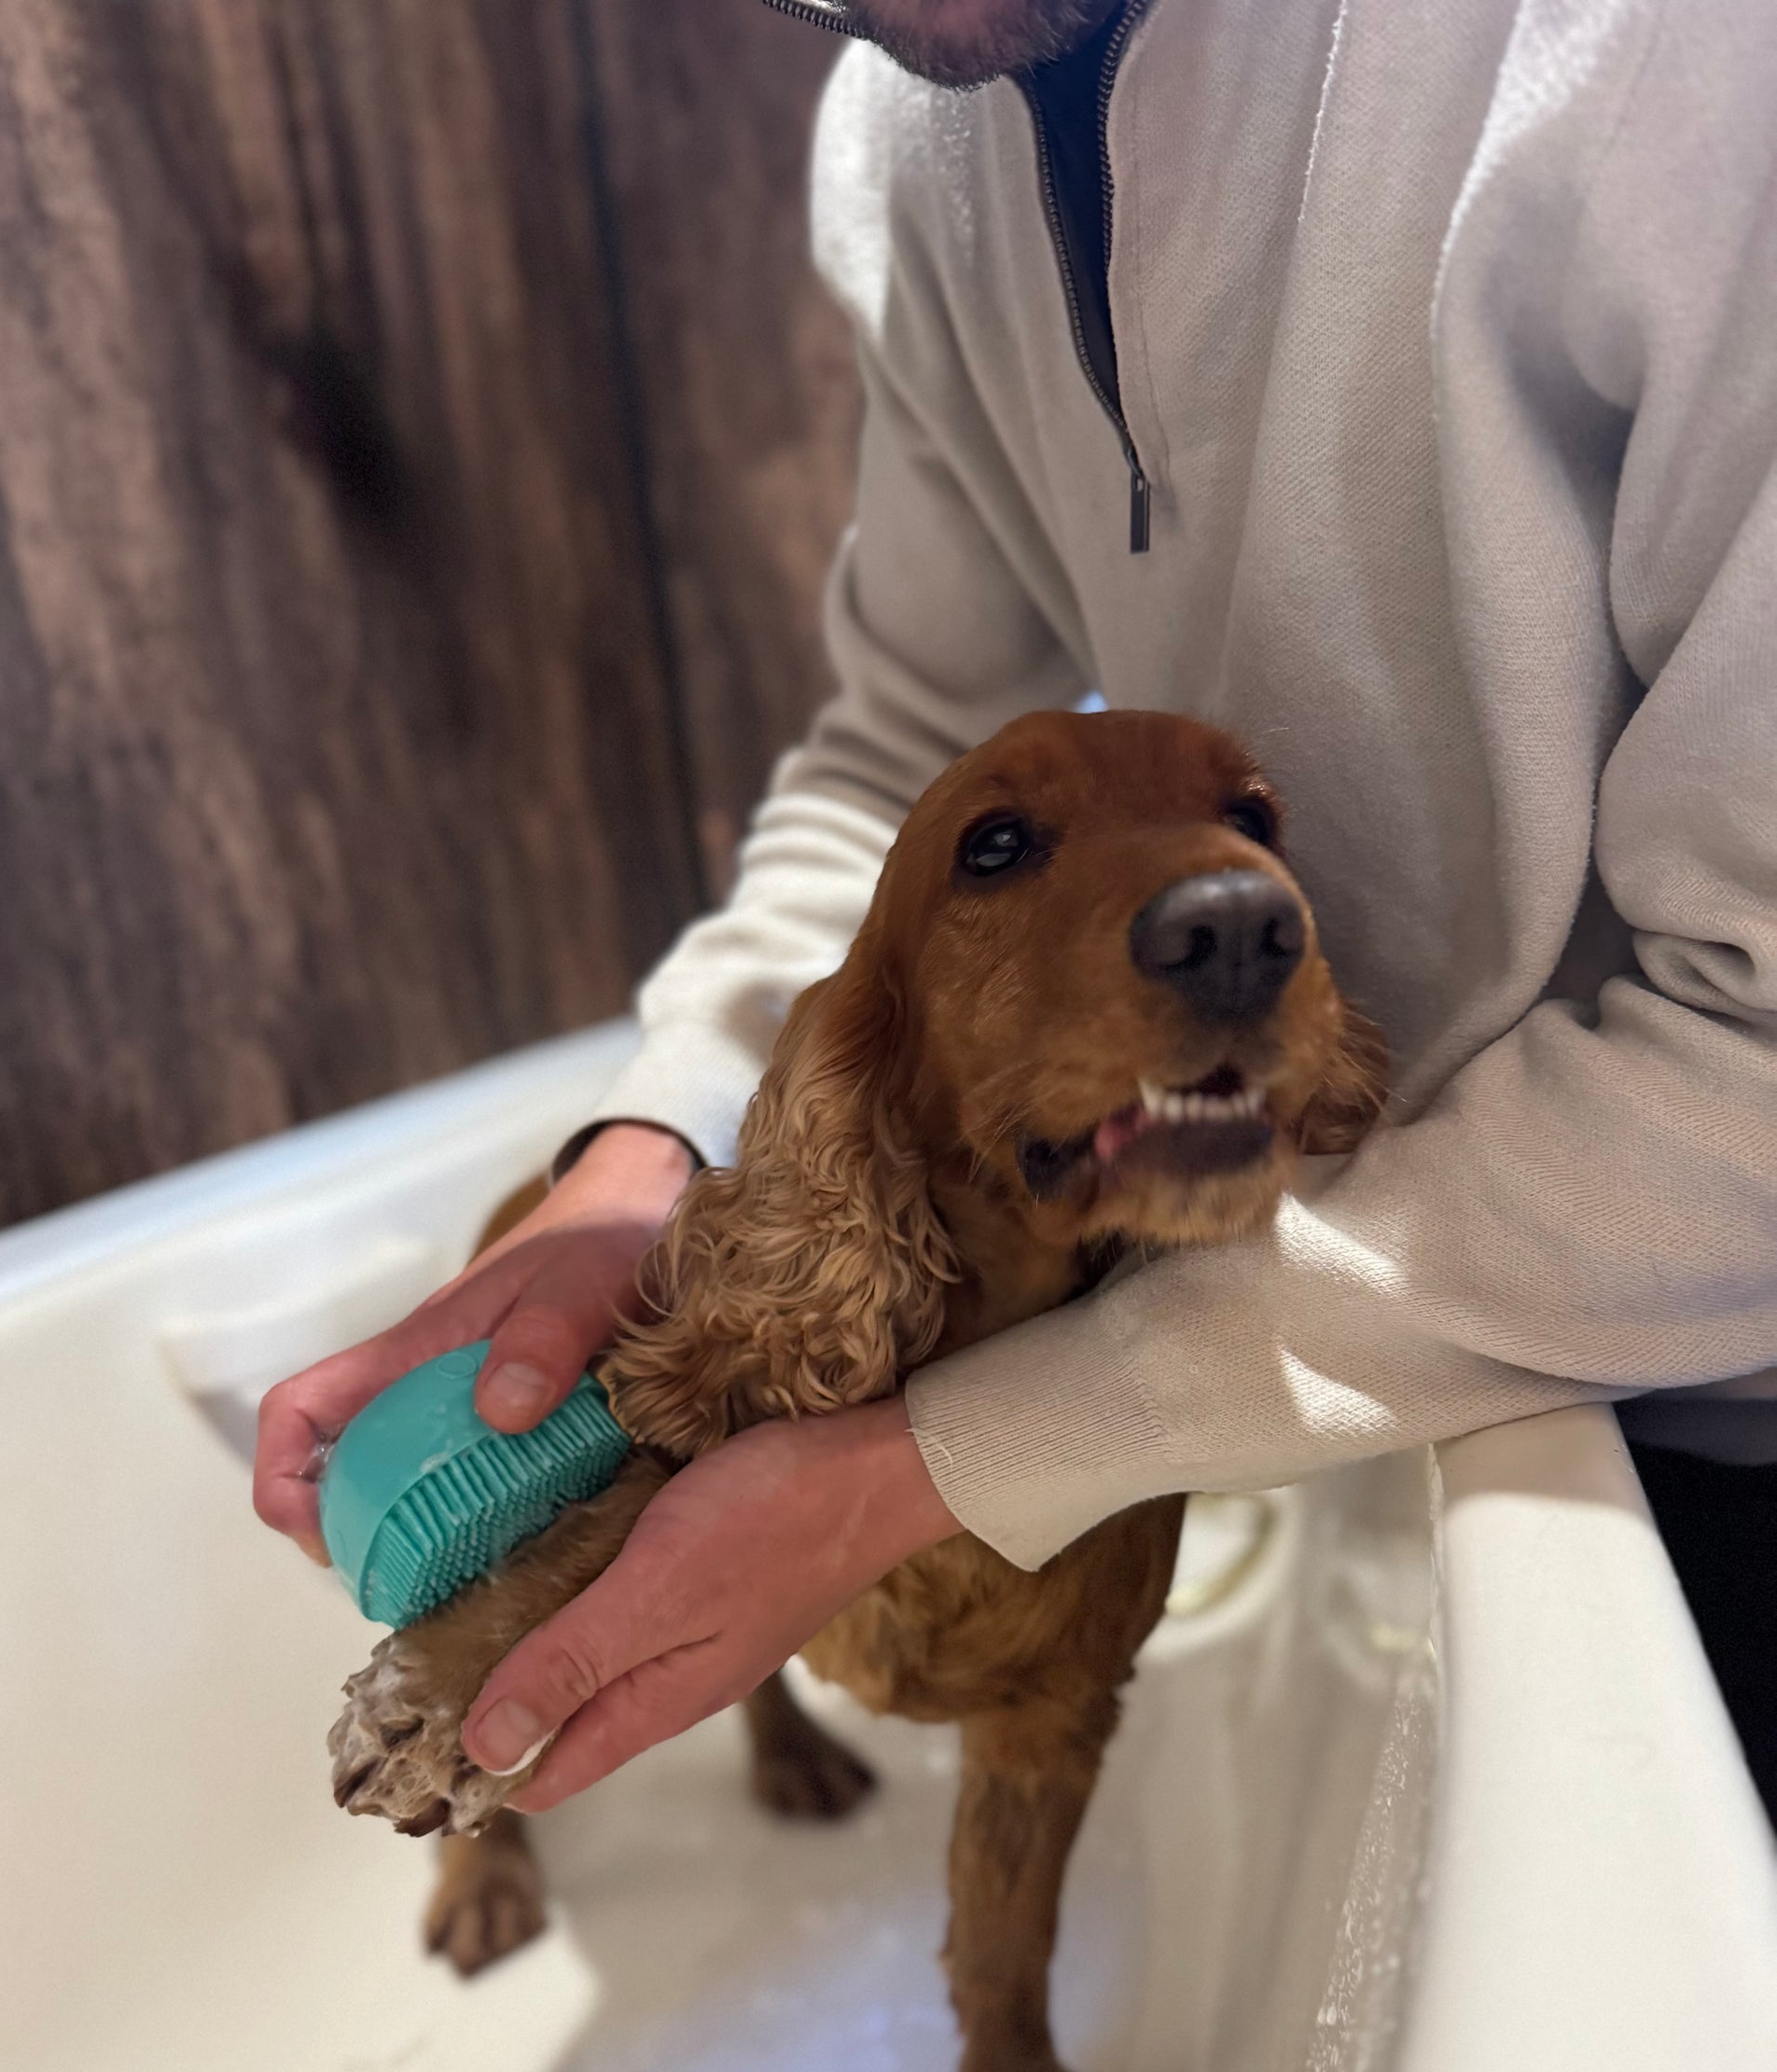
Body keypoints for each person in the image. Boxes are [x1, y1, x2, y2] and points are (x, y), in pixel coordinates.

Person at [255, 0, 1777, 1821]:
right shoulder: (909, 138)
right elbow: (896, 760)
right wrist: (655, 1145)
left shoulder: (1687, 57)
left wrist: (952, 1456)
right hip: (1277, 1327)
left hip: (1713, 1410)